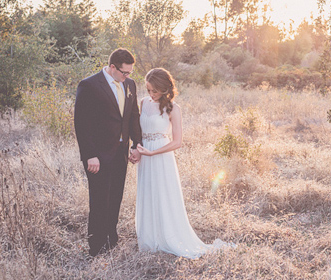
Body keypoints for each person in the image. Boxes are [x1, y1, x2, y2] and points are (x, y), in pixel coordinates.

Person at [129, 68, 233, 258]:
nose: (151, 94)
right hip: (145, 154)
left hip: (161, 155)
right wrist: (136, 149)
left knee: (163, 194)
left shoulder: (173, 109)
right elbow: (136, 130)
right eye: (148, 90)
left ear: (164, 88)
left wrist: (153, 152)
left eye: (155, 90)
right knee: (148, 193)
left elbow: (177, 142)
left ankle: (168, 236)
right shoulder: (143, 102)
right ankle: (150, 239)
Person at [74, 48, 142, 257]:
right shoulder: (89, 85)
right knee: (99, 201)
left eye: (130, 73)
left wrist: (136, 144)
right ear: (112, 67)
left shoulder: (129, 85)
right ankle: (96, 247)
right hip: (98, 156)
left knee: (115, 199)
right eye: (124, 72)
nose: (127, 77)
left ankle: (111, 241)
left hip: (121, 153)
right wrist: (89, 155)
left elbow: (133, 117)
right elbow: (81, 123)